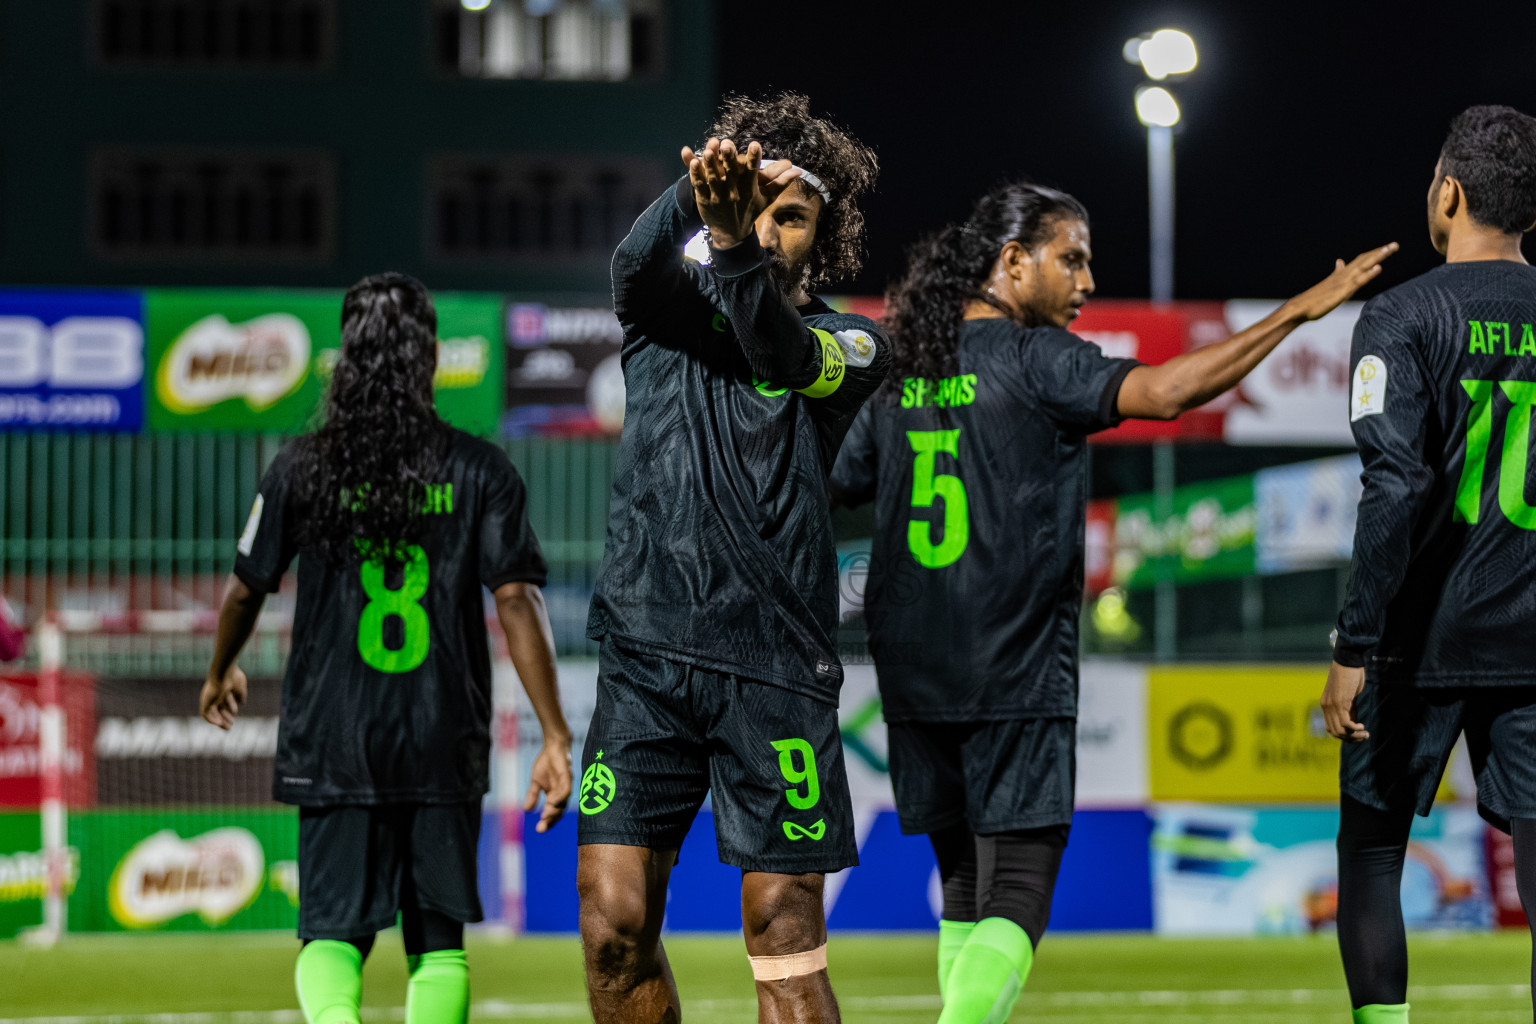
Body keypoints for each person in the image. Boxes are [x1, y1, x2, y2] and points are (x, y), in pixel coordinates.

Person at [830, 183, 1394, 1024]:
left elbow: (832, 483)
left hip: (911, 674)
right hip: (1013, 665)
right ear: (1012, 264)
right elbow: (1167, 394)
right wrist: (1301, 311)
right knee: (1018, 884)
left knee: (962, 882)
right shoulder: (1037, 358)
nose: (1087, 280)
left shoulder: (905, 368)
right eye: (1072, 257)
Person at [578, 92, 887, 1024]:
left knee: (781, 929)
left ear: (821, 241)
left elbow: (781, 350)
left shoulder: (856, 344)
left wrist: (734, 245)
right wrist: (694, 191)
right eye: (753, 203)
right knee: (613, 926)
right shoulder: (660, 314)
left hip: (776, 669)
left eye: (790, 215)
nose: (766, 226)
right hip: (646, 657)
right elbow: (634, 261)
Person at [198, 273, 573, 1024]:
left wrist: (219, 671)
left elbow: (246, 588)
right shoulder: (480, 469)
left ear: (346, 360)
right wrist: (555, 734)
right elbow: (515, 600)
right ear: (431, 356)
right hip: (440, 738)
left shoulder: (301, 467)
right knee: (438, 945)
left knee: (332, 934)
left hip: (335, 738)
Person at [1321, 104, 1536, 1024]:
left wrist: (1352, 642)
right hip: (1534, 643)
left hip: (1416, 639)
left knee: (1372, 857)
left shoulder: (1402, 314)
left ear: (1448, 191)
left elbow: (1397, 487)